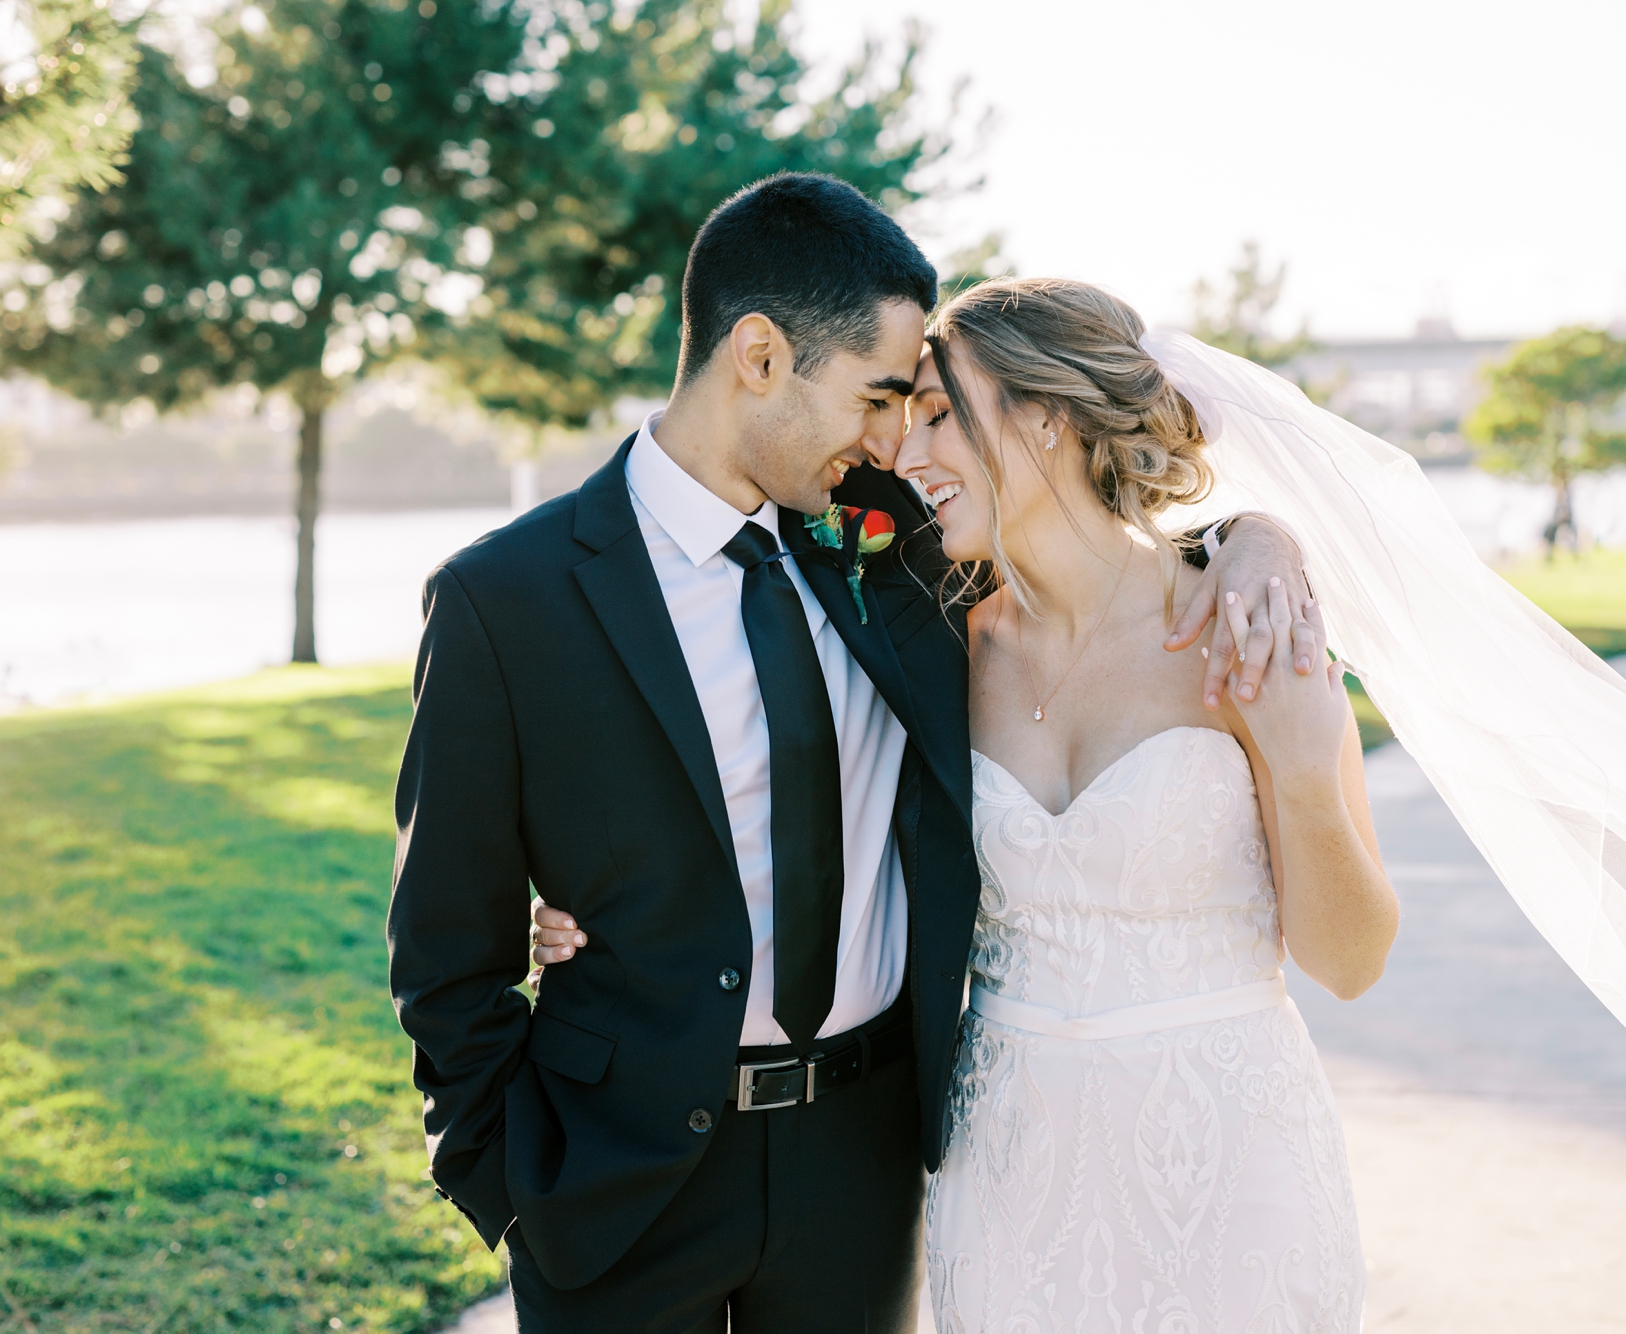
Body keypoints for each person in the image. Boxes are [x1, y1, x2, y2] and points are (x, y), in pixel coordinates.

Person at [388, 175, 1310, 1333]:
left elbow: (1093, 527)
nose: (893, 437)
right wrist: (509, 1184)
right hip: (615, 1177)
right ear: (759, 357)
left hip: (861, 1166)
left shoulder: (894, 538)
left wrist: (1250, 540)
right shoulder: (502, 601)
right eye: (878, 395)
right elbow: (442, 953)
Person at [537, 277, 1402, 1331]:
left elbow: (1351, 962)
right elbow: (745, 721)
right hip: (1007, 1174)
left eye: (941, 414)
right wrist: (591, 901)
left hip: (1230, 1162)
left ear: (1047, 415)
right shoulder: (938, 637)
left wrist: (1301, 761)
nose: (905, 455)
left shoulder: (1243, 625)